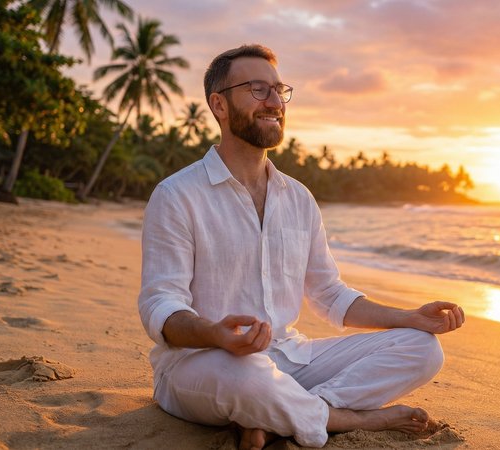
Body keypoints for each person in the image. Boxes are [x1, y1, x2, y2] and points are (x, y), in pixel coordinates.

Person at [137, 44, 465, 450]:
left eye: (279, 90)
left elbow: (330, 295)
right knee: (247, 376)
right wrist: (216, 334)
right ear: (219, 105)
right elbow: (161, 306)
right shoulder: (177, 195)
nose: (275, 102)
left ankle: (276, 418)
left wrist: (410, 317)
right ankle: (343, 418)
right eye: (258, 89)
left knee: (422, 349)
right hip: (203, 364)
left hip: (290, 359)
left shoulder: (299, 199)